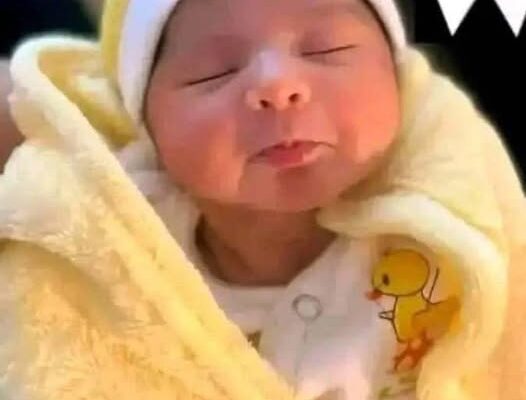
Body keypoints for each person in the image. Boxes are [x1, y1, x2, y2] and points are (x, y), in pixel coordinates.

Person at [0, 0, 525, 399]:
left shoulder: (447, 222)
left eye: (326, 50)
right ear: (149, 129)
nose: (278, 85)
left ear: (398, 78)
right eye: (215, 72)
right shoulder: (106, 231)